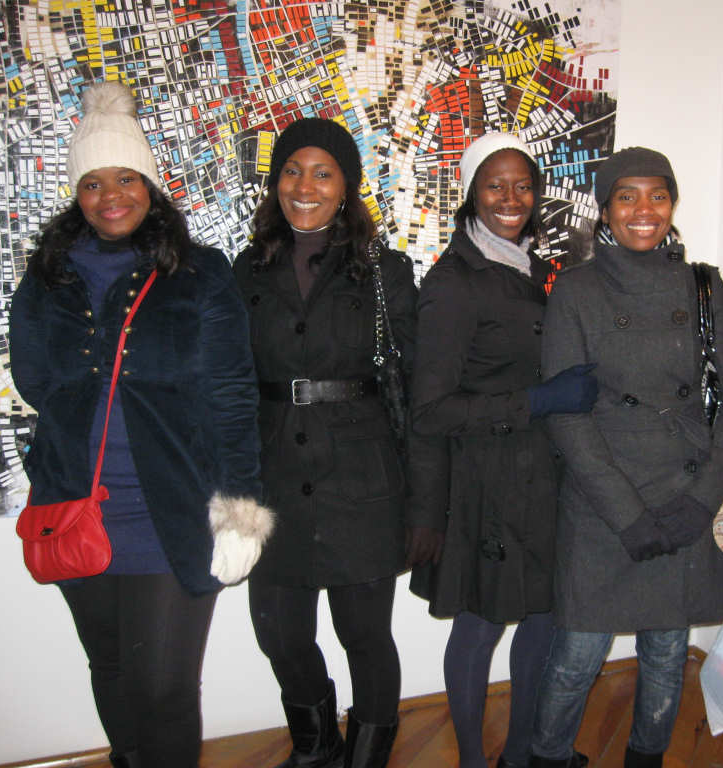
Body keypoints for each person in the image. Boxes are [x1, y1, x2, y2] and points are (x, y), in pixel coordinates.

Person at [9, 81, 270, 768]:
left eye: (125, 177)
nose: (110, 196)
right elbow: (33, 379)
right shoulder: (47, 277)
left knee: (165, 688)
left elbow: (232, 395)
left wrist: (241, 509)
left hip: (171, 508)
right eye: (92, 183)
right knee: (113, 670)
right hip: (75, 506)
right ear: (77, 194)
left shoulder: (199, 272)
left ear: (150, 184)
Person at [530, 148, 723, 768]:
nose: (643, 210)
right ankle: (547, 758)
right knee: (576, 657)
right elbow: (567, 414)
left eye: (658, 195)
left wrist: (701, 502)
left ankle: (646, 758)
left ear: (672, 204)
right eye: (627, 196)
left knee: (668, 653)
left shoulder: (704, 286)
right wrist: (627, 514)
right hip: (604, 502)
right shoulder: (576, 289)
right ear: (605, 209)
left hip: (682, 494)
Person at [235, 117, 432, 768]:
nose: (305, 186)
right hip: (273, 477)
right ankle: (317, 748)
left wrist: (424, 497)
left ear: (346, 185)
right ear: (276, 182)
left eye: (323, 173)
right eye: (293, 170)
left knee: (365, 635)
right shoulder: (246, 270)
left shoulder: (383, 271)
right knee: (279, 635)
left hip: (362, 476)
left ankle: (368, 756)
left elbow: (414, 385)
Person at [409, 132, 598, 768]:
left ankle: (518, 755)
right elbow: (430, 410)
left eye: (523, 186)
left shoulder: (537, 273)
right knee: (481, 624)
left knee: (543, 617)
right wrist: (538, 401)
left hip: (546, 476)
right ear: (472, 193)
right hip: (485, 482)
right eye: (495, 185)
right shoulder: (454, 282)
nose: (511, 198)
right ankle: (471, 759)